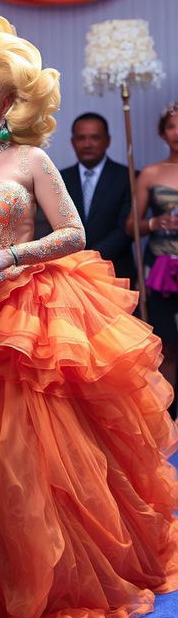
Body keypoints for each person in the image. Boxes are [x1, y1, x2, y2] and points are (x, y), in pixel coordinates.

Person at [0, 7, 178, 618]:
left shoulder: (29, 159)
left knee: (35, 448)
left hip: (32, 310)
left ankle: (55, 576)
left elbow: (74, 232)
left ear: (9, 103)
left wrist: (9, 255)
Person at [126, 101, 178, 405]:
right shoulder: (151, 172)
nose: (177, 132)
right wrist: (154, 222)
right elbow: (130, 226)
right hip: (161, 271)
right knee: (167, 343)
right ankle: (170, 417)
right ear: (162, 133)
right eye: (171, 126)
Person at [60, 113, 135, 282]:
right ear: (73, 142)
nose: (87, 144)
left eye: (95, 138)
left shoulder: (128, 177)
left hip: (115, 271)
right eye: (81, 138)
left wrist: (90, 258)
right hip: (69, 272)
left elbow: (126, 229)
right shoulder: (58, 179)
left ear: (107, 140)